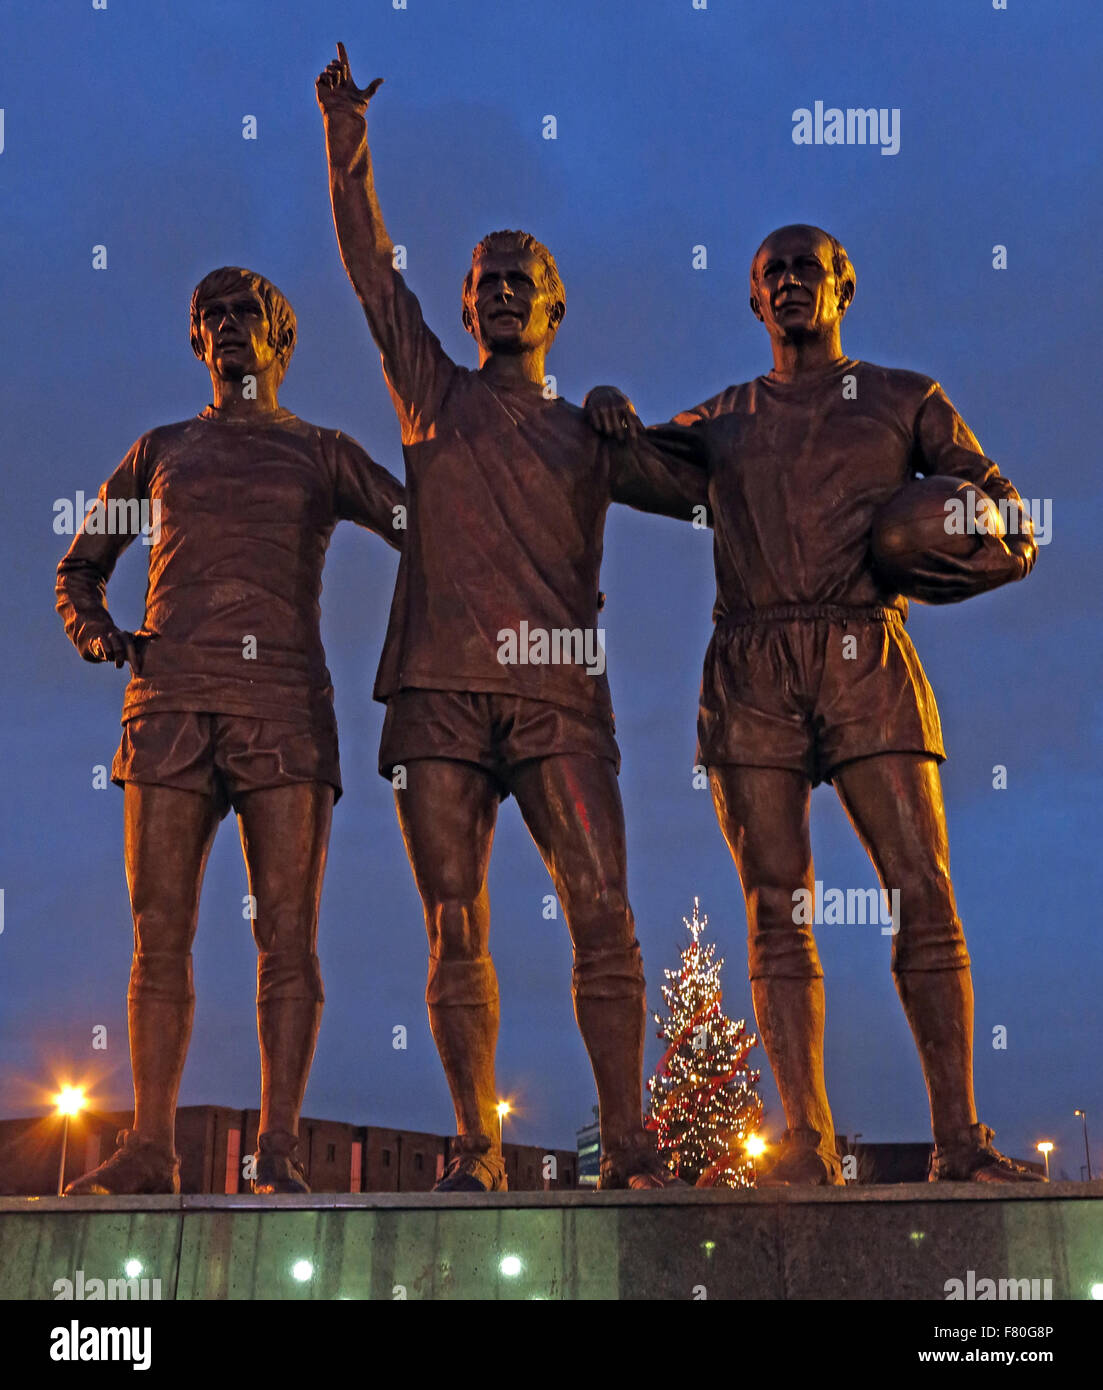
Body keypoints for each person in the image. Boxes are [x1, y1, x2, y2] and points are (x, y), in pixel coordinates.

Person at [317, 44, 706, 1190]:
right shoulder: (429, 391)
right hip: (437, 690)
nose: (495, 290)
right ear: (464, 302)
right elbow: (363, 269)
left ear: (554, 303)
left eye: (515, 277)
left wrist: (633, 430)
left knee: (603, 912)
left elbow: (706, 489)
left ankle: (627, 1142)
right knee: (454, 919)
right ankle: (478, 1150)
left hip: (557, 698)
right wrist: (347, 137)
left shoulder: (593, 430)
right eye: (481, 277)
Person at [585, 224, 1042, 1183]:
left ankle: (957, 1138)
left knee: (921, 888)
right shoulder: (724, 417)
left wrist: (971, 545)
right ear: (754, 301)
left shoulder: (903, 397)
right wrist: (601, 415)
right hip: (752, 659)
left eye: (808, 269)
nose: (791, 283)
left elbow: (1003, 507)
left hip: (861, 645)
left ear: (842, 286)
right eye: (771, 274)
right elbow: (625, 468)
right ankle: (806, 1137)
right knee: (772, 906)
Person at [56, 266, 404, 1194]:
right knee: (157, 932)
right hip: (167, 706)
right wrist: (95, 629)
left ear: (281, 338)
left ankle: (280, 1148)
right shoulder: (161, 450)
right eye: (210, 315)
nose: (227, 326)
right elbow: (80, 567)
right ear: (197, 341)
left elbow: (425, 526)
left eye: (247, 311)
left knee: (287, 935)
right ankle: (152, 1149)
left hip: (284, 710)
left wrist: (531, 577)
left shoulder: (323, 453)